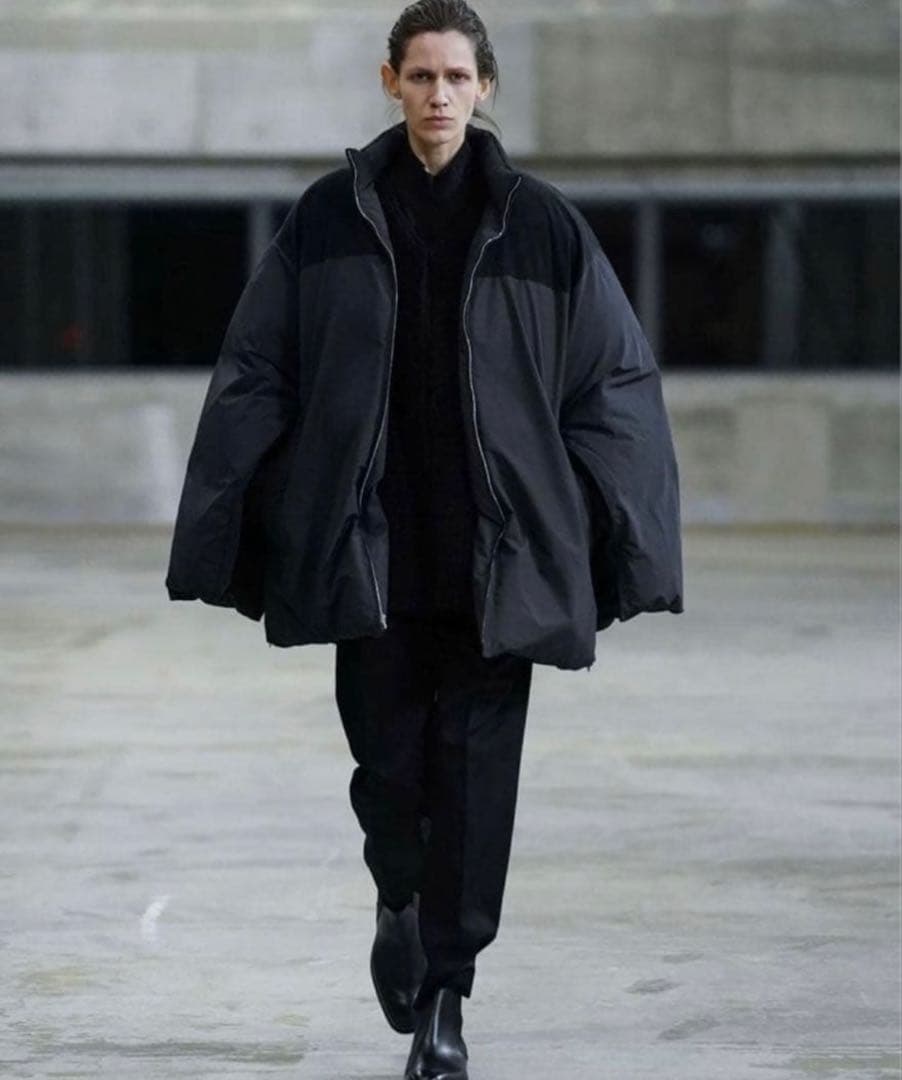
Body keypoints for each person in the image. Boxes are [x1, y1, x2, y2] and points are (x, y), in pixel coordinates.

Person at [165, 1, 683, 1076]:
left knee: (478, 794)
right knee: (390, 775)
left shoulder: (543, 227)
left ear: (484, 87)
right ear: (389, 82)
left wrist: (604, 534)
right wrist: (242, 517)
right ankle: (396, 894)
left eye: (455, 76)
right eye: (420, 75)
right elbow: (258, 369)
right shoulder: (329, 218)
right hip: (374, 559)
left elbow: (613, 385)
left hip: (497, 565)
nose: (438, 94)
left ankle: (447, 997)